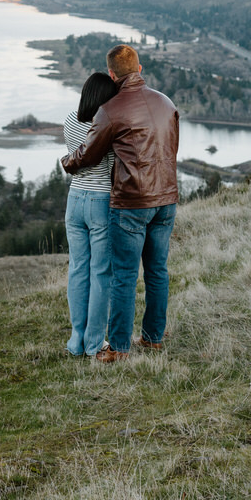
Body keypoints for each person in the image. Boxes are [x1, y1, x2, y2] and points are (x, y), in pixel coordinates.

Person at [60, 44, 180, 363]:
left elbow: (89, 154)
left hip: (133, 201)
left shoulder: (111, 110)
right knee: (157, 270)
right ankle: (153, 337)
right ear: (139, 69)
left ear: (112, 75)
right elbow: (171, 150)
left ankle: (119, 347)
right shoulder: (166, 103)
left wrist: (68, 163)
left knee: (123, 275)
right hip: (166, 198)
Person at [61, 72, 119, 356]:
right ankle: (95, 343)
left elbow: (76, 156)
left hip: (75, 200)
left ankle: (76, 342)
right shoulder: (106, 125)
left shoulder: (70, 120)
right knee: (100, 273)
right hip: (100, 200)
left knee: (77, 270)